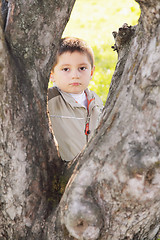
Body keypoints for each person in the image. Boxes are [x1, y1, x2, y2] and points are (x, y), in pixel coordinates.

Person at [48, 37, 103, 161]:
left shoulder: (96, 101)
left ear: (91, 72)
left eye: (82, 68)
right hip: (64, 172)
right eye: (66, 69)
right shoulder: (49, 100)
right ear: (52, 74)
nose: (75, 75)